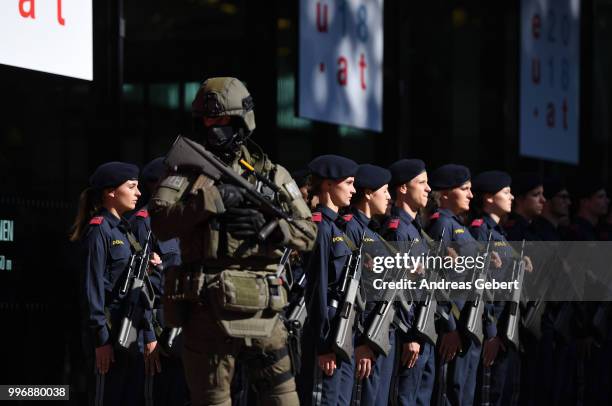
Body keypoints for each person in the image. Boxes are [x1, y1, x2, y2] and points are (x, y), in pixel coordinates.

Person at [149, 77, 316, 406]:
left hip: (265, 311)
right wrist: (212, 201)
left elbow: (308, 233)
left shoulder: (272, 175)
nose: (214, 127)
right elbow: (160, 223)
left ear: (242, 121)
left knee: (283, 399)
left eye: (222, 119)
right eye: (208, 120)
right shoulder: (185, 172)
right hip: (207, 310)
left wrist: (271, 226)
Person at [70, 161, 159, 406]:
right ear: (111, 192)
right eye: (131, 187)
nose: (138, 193)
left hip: (129, 334)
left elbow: (134, 284)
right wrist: (101, 340)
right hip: (109, 336)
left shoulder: (126, 231)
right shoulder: (99, 231)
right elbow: (92, 289)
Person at [426, 164, 499, 406]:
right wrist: (448, 325)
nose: (470, 194)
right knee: (450, 393)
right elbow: (434, 279)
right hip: (455, 328)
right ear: (445, 193)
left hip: (469, 326)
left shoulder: (459, 227)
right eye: (464, 189)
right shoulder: (442, 225)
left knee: (465, 395)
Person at [298, 154, 358, 406]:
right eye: (349, 183)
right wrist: (324, 344)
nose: (353, 190)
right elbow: (317, 288)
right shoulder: (321, 228)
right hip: (326, 335)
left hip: (340, 334)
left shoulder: (337, 229)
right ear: (328, 185)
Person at [129, 157, 189, 406]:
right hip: (158, 329)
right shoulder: (144, 222)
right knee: (155, 396)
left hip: (180, 326)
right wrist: (149, 335)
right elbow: (140, 284)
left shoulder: (177, 220)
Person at [468, 171, 529, 406]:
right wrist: (490, 331)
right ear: (489, 198)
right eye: (506, 192)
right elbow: (481, 285)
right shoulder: (480, 231)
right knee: (489, 394)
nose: (512, 197)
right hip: (492, 330)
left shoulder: (499, 233)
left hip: (506, 326)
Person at [383, 158, 435, 406]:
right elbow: (399, 288)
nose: (428, 188)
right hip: (407, 334)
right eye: (422, 183)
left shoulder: (414, 229)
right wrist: (411, 335)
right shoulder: (398, 230)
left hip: (420, 330)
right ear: (403, 188)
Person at [341, 164, 394, 406]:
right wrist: (363, 342)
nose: (389, 197)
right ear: (369, 193)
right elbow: (351, 289)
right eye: (385, 190)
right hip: (363, 339)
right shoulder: (352, 228)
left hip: (377, 335)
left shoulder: (371, 231)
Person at [503, 173, 545, 241]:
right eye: (536, 195)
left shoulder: (535, 227)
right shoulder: (513, 231)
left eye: (542, 194)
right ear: (519, 199)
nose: (543, 200)